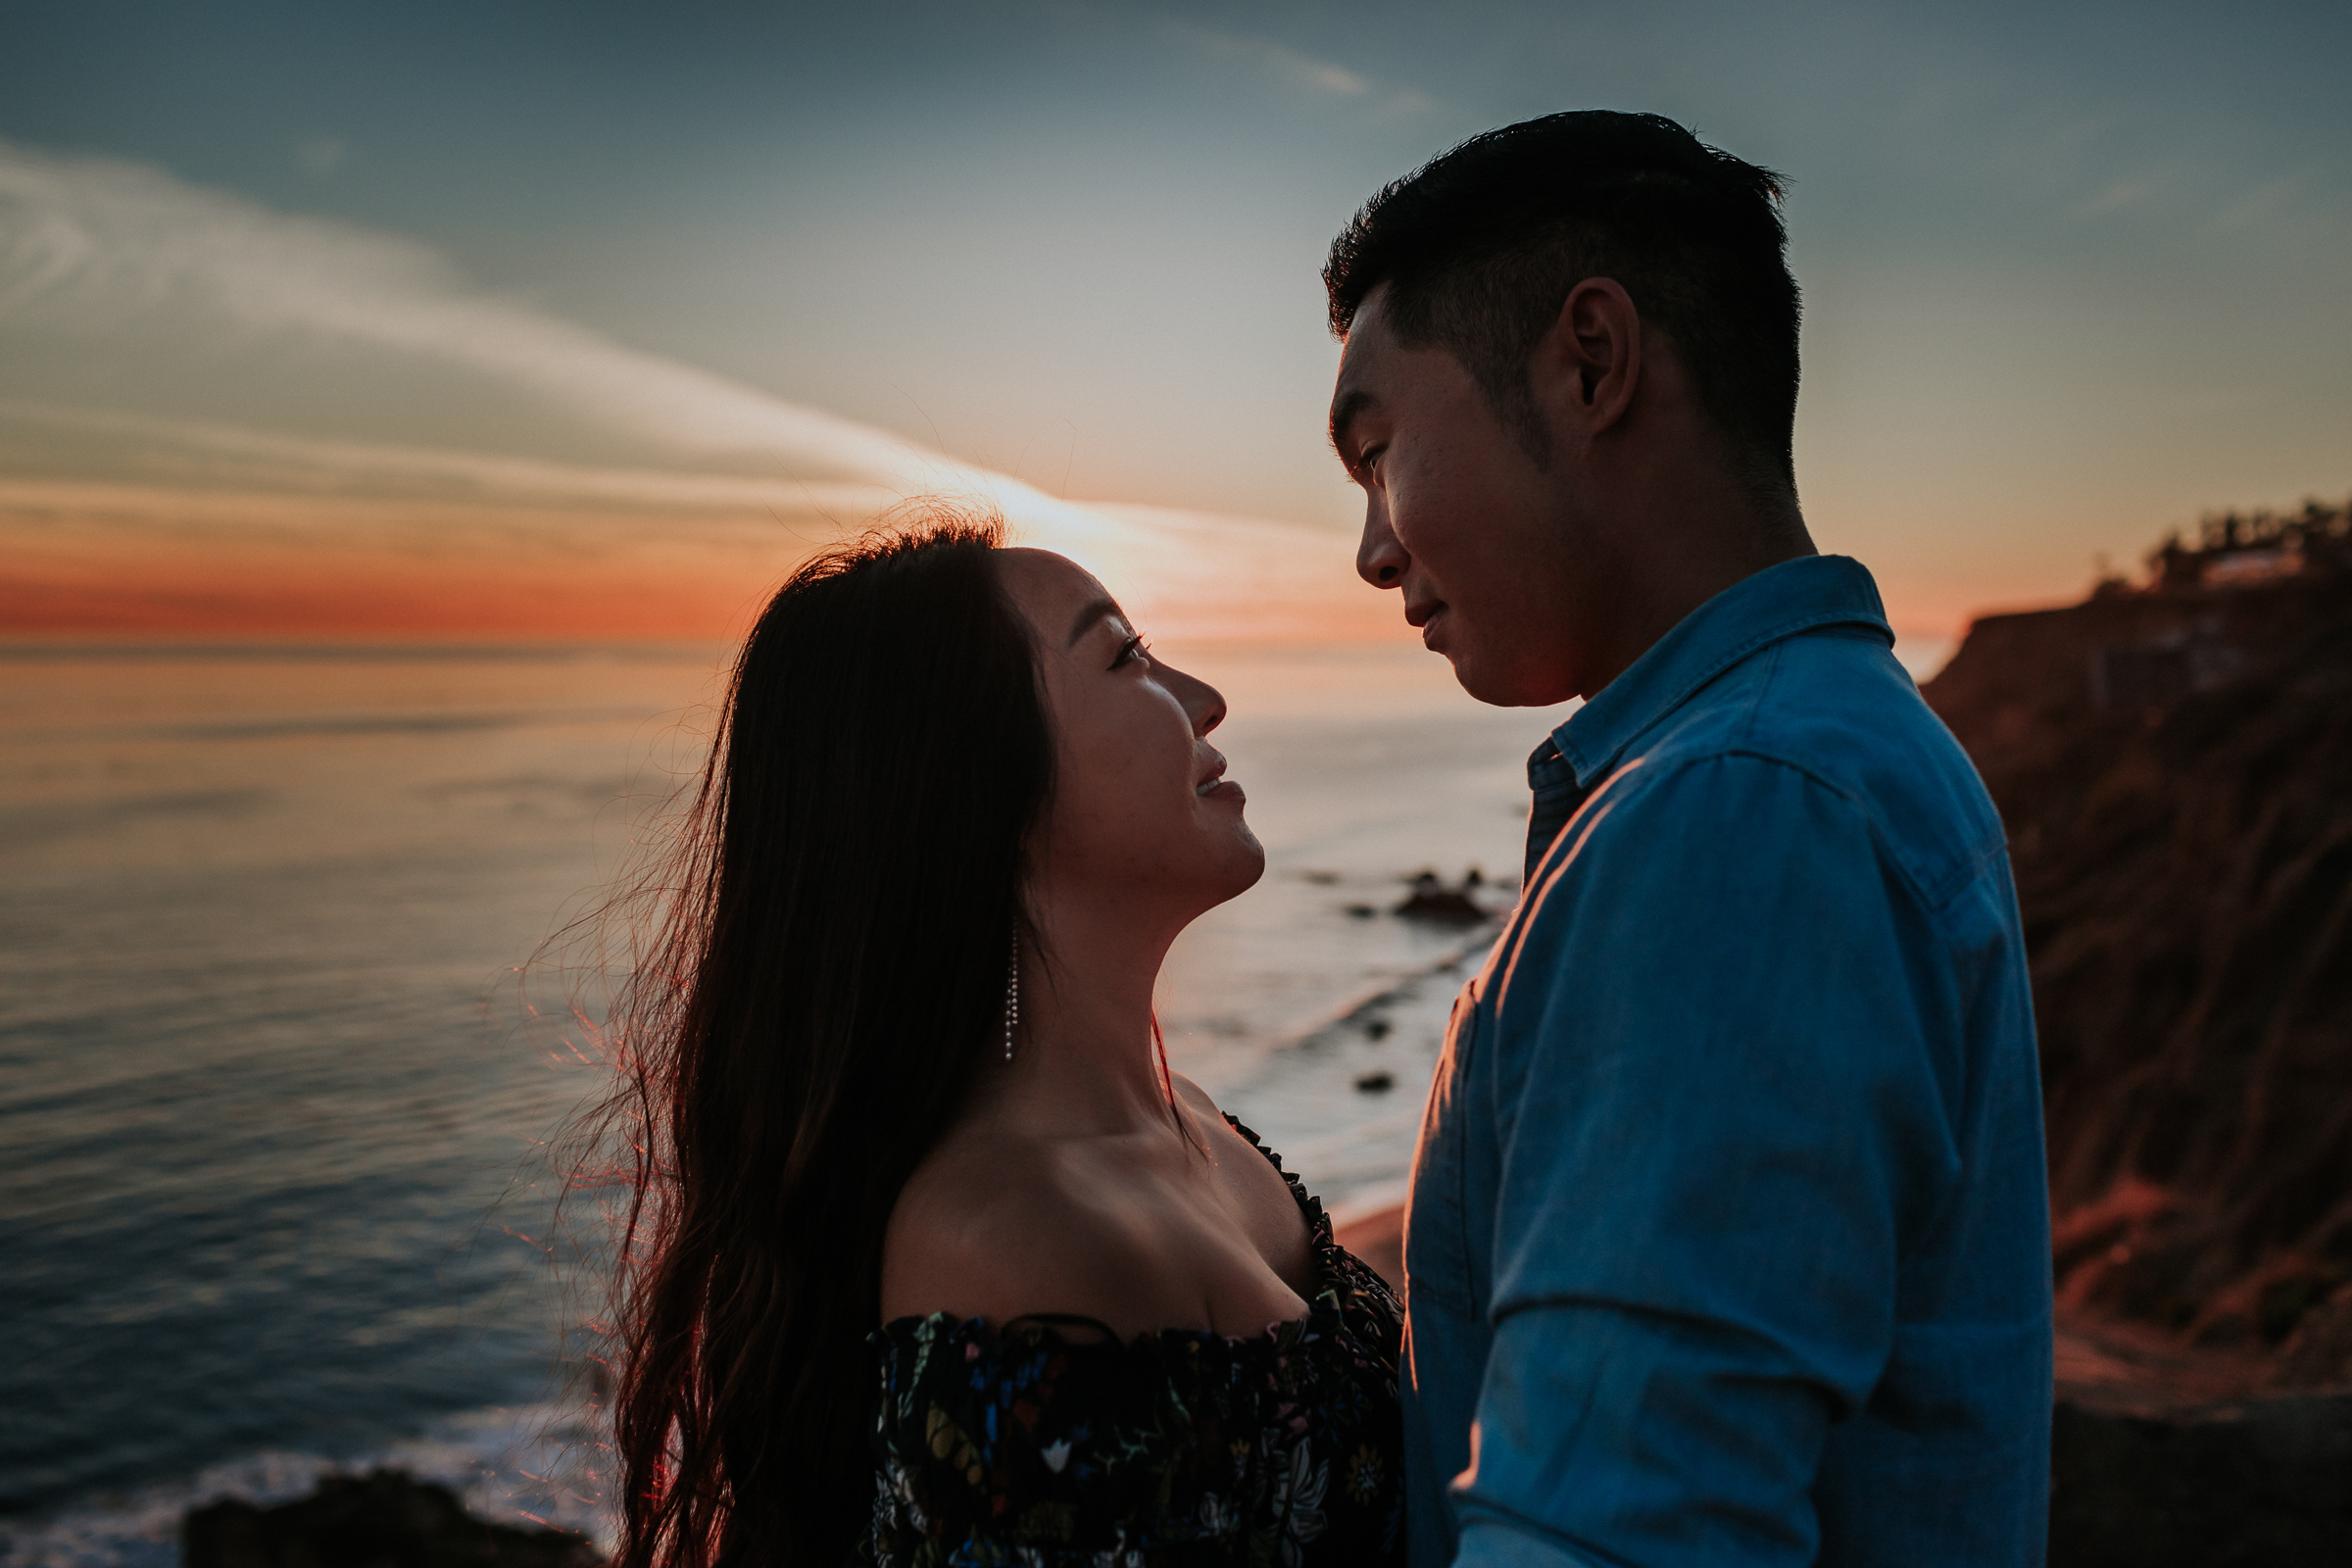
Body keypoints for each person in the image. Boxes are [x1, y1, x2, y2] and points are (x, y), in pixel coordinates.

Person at [1322, 113, 2052, 1565]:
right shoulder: (1828, 748)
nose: (1373, 550)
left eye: (1379, 451)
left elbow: (1613, 1533)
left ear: (1590, 363)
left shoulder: (1745, 808)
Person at [594, 514, 1406, 1568]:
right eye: (1125, 657)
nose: (1204, 698)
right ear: (984, 798)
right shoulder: (1014, 1247)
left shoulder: (1191, 1122)